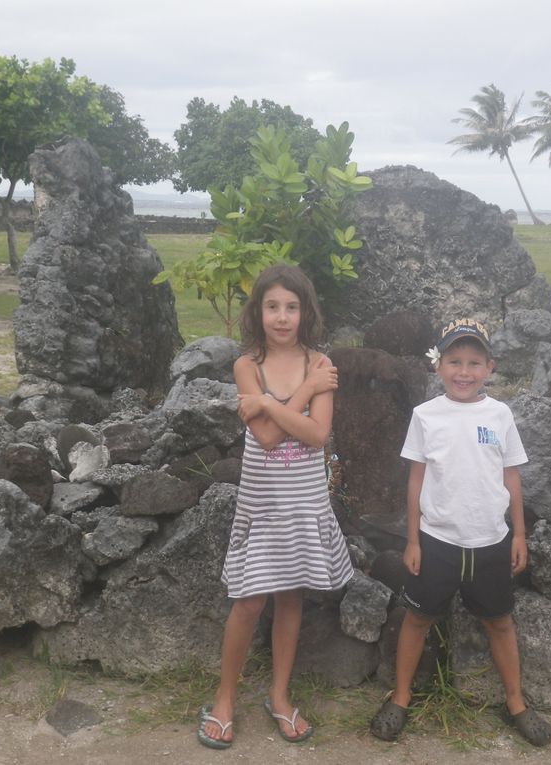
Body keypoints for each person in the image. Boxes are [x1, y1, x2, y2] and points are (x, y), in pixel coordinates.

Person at [369, 317, 551, 747]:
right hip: (436, 543)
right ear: (439, 366)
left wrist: (519, 535)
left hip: (490, 542)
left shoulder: (500, 414)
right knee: (416, 619)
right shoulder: (426, 416)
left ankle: (516, 703)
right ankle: (399, 697)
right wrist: (413, 540)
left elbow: (511, 478)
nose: (463, 371)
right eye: (454, 361)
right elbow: (415, 481)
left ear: (489, 367)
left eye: (473, 362)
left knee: (500, 623)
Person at [197, 264, 353, 749]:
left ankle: (279, 695)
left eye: (291, 306)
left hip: (303, 503)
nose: (282, 317)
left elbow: (318, 434)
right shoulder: (248, 365)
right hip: (262, 504)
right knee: (248, 601)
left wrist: (268, 403)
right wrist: (302, 395)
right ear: (258, 311)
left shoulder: (320, 361)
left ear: (304, 311)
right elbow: (264, 439)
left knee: (291, 598)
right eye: (272, 307)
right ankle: (223, 699)